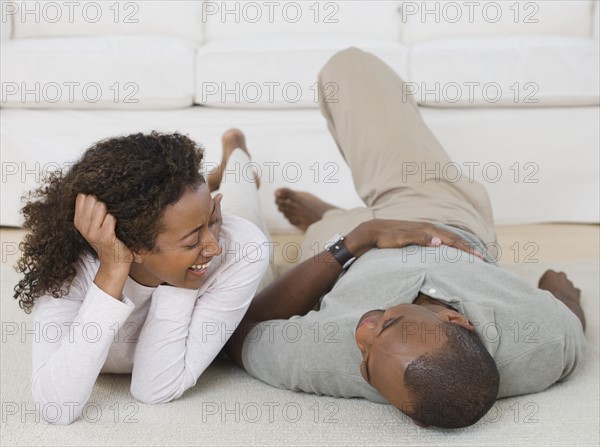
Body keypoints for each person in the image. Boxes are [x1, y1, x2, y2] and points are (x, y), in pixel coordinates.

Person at [222, 48, 587, 429]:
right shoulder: (544, 341)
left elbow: (237, 328)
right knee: (349, 68)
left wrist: (360, 238)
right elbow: (569, 325)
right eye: (389, 325)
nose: (363, 333)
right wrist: (565, 296)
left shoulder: (328, 357)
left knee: (296, 247)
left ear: (406, 412)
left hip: (340, 261)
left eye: (366, 364)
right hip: (436, 214)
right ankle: (333, 218)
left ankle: (329, 219)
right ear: (456, 320)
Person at [13, 130, 275, 425]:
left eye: (207, 221)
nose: (213, 247)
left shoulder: (238, 249)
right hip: (158, 236)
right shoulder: (66, 267)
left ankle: (235, 152)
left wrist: (184, 280)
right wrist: (112, 271)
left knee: (244, 203)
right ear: (133, 247)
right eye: (191, 241)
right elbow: (56, 406)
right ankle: (219, 176)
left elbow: (156, 387)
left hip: (239, 254)